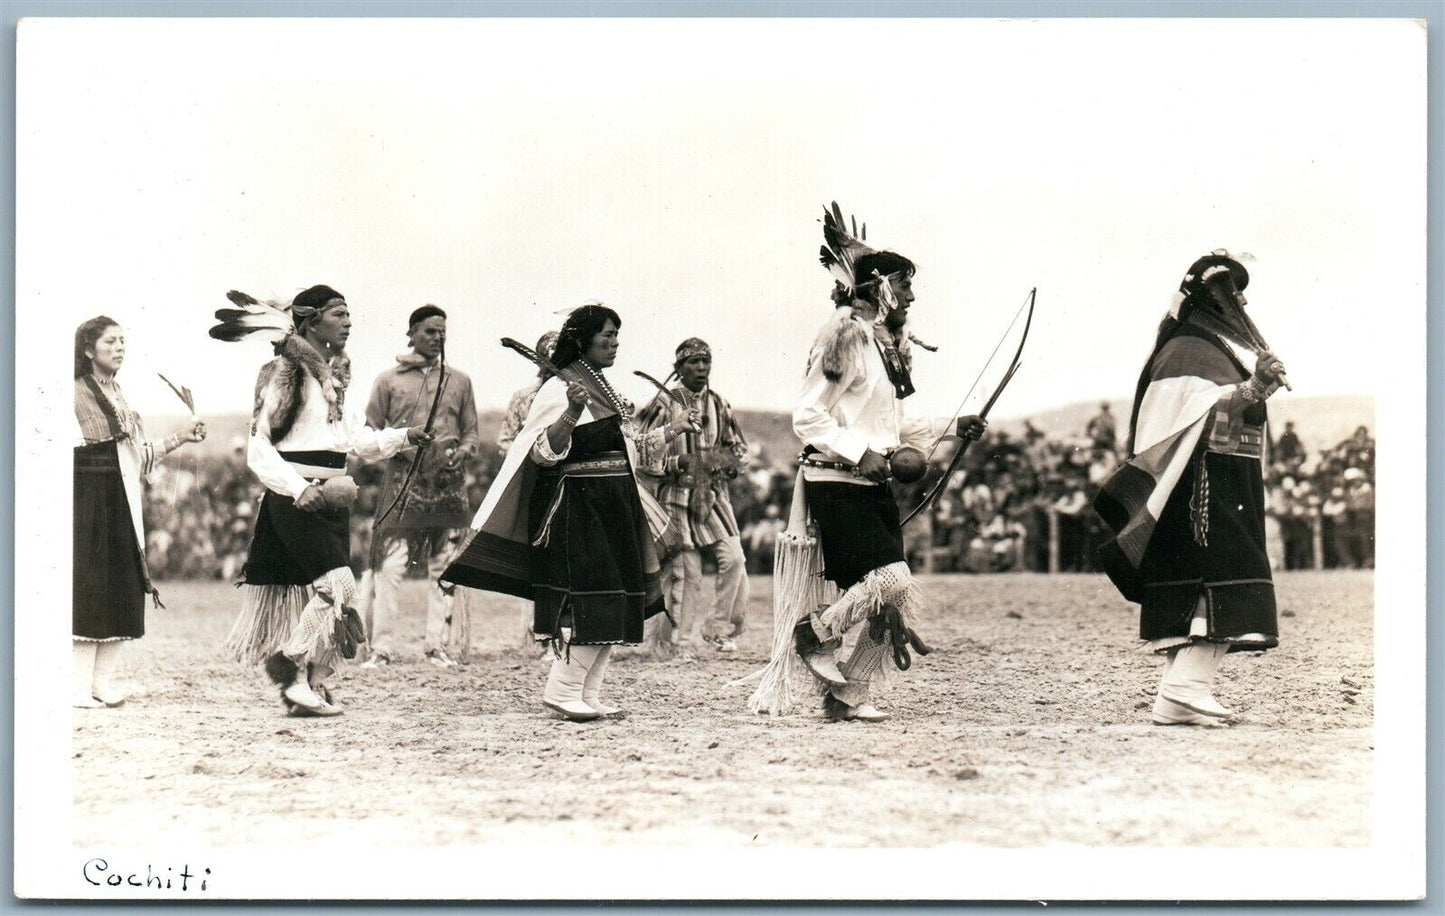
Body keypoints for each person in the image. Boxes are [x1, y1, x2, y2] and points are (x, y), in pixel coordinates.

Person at [743, 207, 986, 722]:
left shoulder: (884, 345)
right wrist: (862, 453)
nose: (913, 297)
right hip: (835, 479)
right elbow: (808, 417)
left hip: (870, 481)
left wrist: (953, 425)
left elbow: (898, 426)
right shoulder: (845, 338)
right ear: (879, 288)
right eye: (905, 285)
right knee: (892, 579)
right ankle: (815, 633)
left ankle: (849, 696)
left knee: (890, 598)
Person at [443, 303, 699, 721]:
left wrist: (673, 429)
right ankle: (562, 690)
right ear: (582, 340)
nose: (615, 343)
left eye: (617, 335)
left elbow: (628, 451)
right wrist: (571, 412)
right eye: (606, 336)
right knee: (595, 599)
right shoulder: (559, 390)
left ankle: (588, 692)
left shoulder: (599, 385)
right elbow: (542, 454)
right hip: (581, 512)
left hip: (614, 507)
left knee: (616, 599)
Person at [216, 285, 431, 716]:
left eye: (349, 315)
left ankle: (311, 684)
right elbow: (260, 447)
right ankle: (291, 666)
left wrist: (402, 437)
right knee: (339, 586)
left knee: (336, 591)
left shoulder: (334, 378)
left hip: (331, 501)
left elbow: (356, 441)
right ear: (312, 321)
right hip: (297, 499)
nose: (348, 322)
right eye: (339, 314)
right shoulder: (285, 374)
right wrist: (300, 489)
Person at [1095, 251, 1286, 727]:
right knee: (1226, 572)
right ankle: (1185, 687)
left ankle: (1178, 694)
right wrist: (1253, 390)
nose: (1239, 301)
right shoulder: (1187, 350)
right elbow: (1192, 420)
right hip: (1198, 493)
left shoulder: (1205, 349)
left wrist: (1251, 388)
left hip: (1215, 485)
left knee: (1206, 578)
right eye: (1229, 292)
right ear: (1210, 300)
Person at [73, 317, 207, 707]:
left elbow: (137, 455)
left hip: (122, 503)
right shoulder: (72, 395)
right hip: (87, 503)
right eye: (110, 342)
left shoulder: (119, 396)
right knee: (90, 587)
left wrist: (183, 435)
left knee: (123, 587)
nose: (119, 348)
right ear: (87, 350)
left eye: (122, 342)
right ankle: (77, 686)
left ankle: (101, 682)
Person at [354, 305, 480, 669]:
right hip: (402, 482)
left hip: (448, 483)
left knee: (443, 568)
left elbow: (471, 430)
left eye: (442, 331)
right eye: (429, 331)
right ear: (411, 334)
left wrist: (466, 450)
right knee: (390, 568)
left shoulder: (460, 381)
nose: (438, 338)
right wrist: (401, 444)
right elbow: (367, 432)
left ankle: (436, 647)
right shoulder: (388, 380)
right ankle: (381, 649)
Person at [636, 337, 751, 655]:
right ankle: (679, 642)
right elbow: (639, 448)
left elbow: (738, 449)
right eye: (693, 362)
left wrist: (725, 463)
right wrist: (676, 462)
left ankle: (717, 629)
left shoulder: (719, 403)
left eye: (706, 361)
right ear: (679, 368)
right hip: (675, 496)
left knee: (734, 558)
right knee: (687, 573)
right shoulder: (662, 403)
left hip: (712, 496)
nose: (701, 367)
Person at [495, 329, 560, 648]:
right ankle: (537, 633)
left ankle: (564, 631)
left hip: (569, 482)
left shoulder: (581, 392)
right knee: (537, 557)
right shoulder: (524, 398)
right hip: (534, 484)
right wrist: (529, 458)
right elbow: (506, 440)